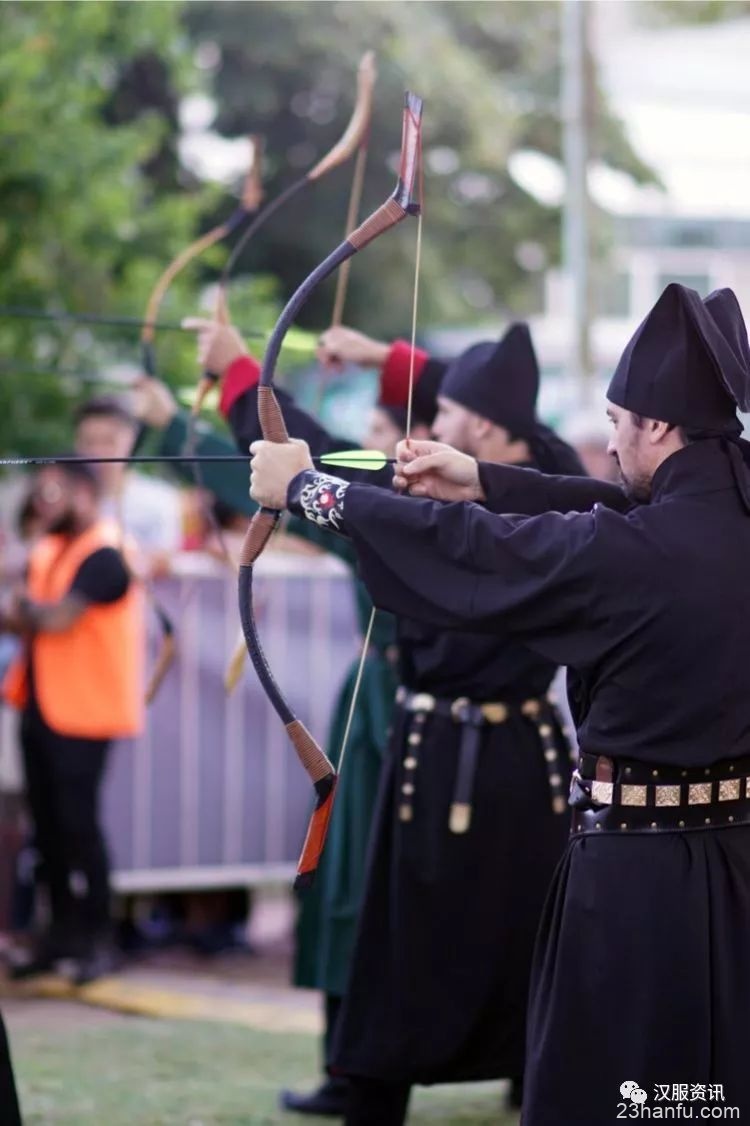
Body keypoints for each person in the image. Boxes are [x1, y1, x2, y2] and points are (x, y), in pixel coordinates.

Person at [249, 283, 750, 1126]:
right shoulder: (721, 512)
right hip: (738, 860)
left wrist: (312, 491)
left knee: (618, 1094)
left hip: (637, 881)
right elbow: (616, 508)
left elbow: (485, 553)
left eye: (618, 420)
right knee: (712, 1093)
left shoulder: (634, 552)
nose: (612, 441)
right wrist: (484, 477)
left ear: (658, 427)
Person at [191, 314, 583, 1124]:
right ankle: (376, 1085)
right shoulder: (554, 475)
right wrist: (382, 356)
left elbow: (324, 462)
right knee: (408, 931)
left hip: (483, 755)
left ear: (477, 426)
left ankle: (499, 1073)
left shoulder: (495, 504)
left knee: (518, 929)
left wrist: (240, 375)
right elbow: (492, 406)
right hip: (468, 750)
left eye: (443, 417)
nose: (427, 431)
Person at [132, 364, 428, 1116]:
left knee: (393, 895)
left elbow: (287, 478)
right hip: (368, 717)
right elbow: (270, 481)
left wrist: (188, 416)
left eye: (382, 435)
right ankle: (350, 1070)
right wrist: (186, 416)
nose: (364, 447)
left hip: (417, 722)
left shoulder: (418, 513)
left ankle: (382, 1072)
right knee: (341, 889)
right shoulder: (374, 510)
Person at [2, 460, 144, 984]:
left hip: (86, 713)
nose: (42, 503)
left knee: (80, 829)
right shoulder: (50, 548)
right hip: (39, 705)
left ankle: (98, 939)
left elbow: (57, 618)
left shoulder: (106, 553)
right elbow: (24, 614)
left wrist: (20, 608)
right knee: (48, 829)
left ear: (84, 494)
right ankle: (57, 934)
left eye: (52, 493)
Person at [74, 396, 182, 567]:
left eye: (108, 442)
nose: (96, 452)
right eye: (88, 442)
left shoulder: (159, 499)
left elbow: (165, 560)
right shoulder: (65, 498)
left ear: (130, 441)